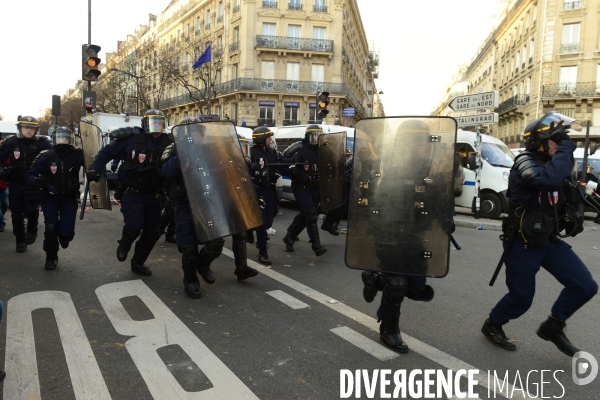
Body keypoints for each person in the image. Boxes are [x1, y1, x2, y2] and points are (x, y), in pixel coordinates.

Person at [481, 112, 598, 357]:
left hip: (550, 241)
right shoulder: (525, 162)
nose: (562, 145)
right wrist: (566, 149)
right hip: (523, 244)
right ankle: (493, 324)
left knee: (585, 286)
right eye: (556, 140)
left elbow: (572, 194)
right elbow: (546, 181)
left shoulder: (557, 166)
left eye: (562, 141)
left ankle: (553, 326)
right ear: (539, 142)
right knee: (521, 299)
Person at [358, 119, 454, 352]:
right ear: (405, 143)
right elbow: (371, 192)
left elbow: (439, 196)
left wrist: (445, 219)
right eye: (417, 142)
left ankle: (374, 280)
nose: (421, 147)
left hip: (413, 234)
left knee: (416, 287)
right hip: (387, 231)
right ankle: (389, 330)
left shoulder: (429, 168)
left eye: (424, 142)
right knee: (398, 282)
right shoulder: (385, 164)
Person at [161, 117, 256, 298]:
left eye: (200, 131)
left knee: (216, 242)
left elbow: (225, 168)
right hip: (185, 204)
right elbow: (167, 172)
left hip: (208, 201)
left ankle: (203, 265)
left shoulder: (211, 149)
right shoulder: (175, 149)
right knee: (189, 248)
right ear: (187, 134)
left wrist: (241, 162)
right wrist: (184, 155)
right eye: (195, 131)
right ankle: (190, 281)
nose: (199, 134)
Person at [87, 109, 173, 276]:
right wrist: (96, 169)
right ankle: (125, 244)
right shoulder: (132, 139)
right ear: (144, 124)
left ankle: (138, 262)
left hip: (155, 194)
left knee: (153, 232)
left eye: (159, 123)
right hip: (132, 192)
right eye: (152, 123)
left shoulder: (169, 142)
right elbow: (107, 152)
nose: (156, 128)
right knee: (134, 226)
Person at [26, 127, 85, 270]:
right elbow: (30, 174)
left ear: (71, 139)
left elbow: (92, 165)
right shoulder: (46, 156)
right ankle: (51, 257)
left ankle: (65, 236)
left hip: (69, 198)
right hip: (50, 197)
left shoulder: (78, 155)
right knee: (51, 227)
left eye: (66, 137)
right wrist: (35, 180)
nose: (63, 140)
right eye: (60, 137)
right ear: (54, 139)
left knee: (66, 232)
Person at [0, 116, 52, 252]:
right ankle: (19, 240)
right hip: (16, 182)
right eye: (26, 127)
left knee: (32, 208)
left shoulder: (42, 142)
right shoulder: (11, 142)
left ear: (36, 129)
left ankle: (32, 230)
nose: (29, 130)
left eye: (32, 128)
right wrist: (3, 172)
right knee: (16, 212)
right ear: (20, 128)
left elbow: (52, 158)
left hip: (33, 182)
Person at [281, 125, 327, 257]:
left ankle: (290, 236)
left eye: (320, 134)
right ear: (309, 136)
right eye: (315, 134)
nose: (318, 137)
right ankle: (316, 245)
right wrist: (291, 168)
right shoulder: (298, 146)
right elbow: (282, 159)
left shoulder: (323, 149)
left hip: (315, 187)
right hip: (301, 187)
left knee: (307, 213)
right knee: (311, 213)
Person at [248, 126, 286, 265]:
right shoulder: (251, 152)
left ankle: (252, 230)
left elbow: (280, 164)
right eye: (268, 137)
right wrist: (251, 168)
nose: (271, 139)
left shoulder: (272, 151)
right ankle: (262, 251)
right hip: (258, 190)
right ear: (262, 139)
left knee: (270, 218)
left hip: (271, 189)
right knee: (262, 222)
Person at [320, 146, 354, 235]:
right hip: (333, 188)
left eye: (348, 156)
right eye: (346, 156)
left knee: (342, 206)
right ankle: (328, 222)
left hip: (345, 188)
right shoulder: (338, 163)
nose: (347, 158)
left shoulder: (349, 164)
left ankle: (332, 223)